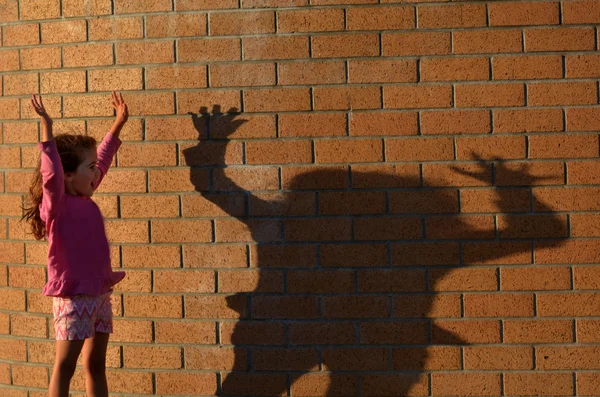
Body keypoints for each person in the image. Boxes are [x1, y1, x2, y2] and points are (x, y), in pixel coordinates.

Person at [22, 92, 128, 397]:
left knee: (96, 365)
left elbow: (104, 157)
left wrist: (117, 125)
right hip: (73, 299)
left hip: (99, 295)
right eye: (89, 168)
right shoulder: (57, 205)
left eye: (96, 167)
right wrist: (47, 130)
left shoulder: (84, 196)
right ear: (68, 176)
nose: (97, 172)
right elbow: (51, 173)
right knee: (65, 367)